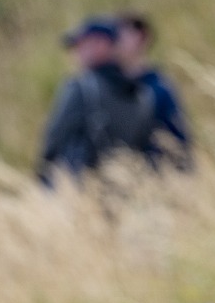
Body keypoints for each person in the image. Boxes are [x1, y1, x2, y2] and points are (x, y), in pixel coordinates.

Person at [37, 17, 160, 184]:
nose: (76, 52)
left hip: (79, 191)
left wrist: (42, 180)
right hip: (124, 190)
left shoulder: (80, 87)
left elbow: (55, 140)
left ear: (102, 45)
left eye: (82, 45)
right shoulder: (141, 93)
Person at [116, 11, 194, 168]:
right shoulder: (104, 89)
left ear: (141, 37)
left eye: (121, 35)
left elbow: (178, 142)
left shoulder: (160, 89)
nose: (115, 42)